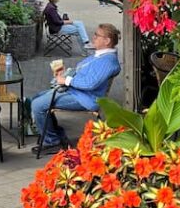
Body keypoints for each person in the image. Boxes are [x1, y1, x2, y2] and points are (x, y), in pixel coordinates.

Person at [30, 23, 121, 154]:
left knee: (38, 105)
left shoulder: (108, 61)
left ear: (107, 41)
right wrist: (66, 73)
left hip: (86, 98)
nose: (93, 37)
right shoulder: (101, 55)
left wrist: (66, 80)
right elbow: (83, 72)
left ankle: (52, 141)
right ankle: (56, 135)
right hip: (77, 92)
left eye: (97, 35)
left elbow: (90, 83)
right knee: (37, 98)